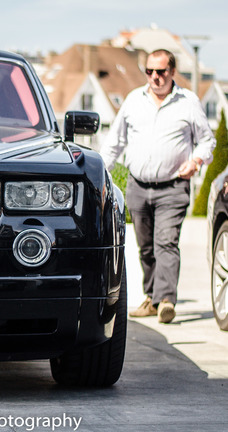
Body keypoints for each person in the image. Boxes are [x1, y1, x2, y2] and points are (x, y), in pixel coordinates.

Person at [100, 49, 216, 324]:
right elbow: (114, 143)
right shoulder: (133, 101)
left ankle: (166, 300)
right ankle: (152, 298)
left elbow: (207, 140)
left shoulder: (188, 102)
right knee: (145, 247)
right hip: (137, 186)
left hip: (173, 187)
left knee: (166, 242)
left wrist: (196, 160)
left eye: (161, 71)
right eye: (149, 72)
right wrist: (98, 174)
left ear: (173, 72)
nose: (155, 77)